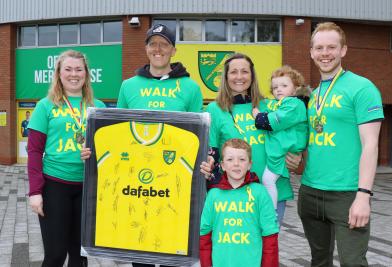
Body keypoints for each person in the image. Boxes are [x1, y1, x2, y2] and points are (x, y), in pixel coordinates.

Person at [81, 23, 203, 267]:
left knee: (172, 255)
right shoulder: (129, 85)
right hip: (137, 182)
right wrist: (91, 152)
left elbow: (198, 136)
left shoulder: (190, 87)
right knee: (141, 255)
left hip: (172, 182)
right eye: (152, 44)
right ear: (146, 49)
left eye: (164, 44)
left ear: (174, 50)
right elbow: (119, 132)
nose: (158, 49)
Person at [298, 22, 384, 266]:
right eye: (319, 48)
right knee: (319, 261)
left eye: (332, 47)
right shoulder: (313, 95)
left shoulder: (362, 88)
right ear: (311, 52)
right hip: (310, 192)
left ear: (343, 50)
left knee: (352, 263)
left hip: (347, 194)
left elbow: (371, 145)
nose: (325, 53)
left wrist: (363, 196)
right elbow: (313, 139)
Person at [27, 50, 106, 267]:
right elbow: (33, 151)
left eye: (79, 69)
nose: (74, 74)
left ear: (86, 74)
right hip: (54, 186)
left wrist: (95, 153)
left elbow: (109, 151)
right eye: (68, 69)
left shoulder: (98, 107)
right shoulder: (46, 106)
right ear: (59, 74)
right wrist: (35, 192)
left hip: (87, 188)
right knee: (55, 255)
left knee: (80, 256)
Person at [200, 53, 294, 224]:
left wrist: (297, 154)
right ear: (226, 77)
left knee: (267, 248)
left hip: (271, 192)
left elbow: (294, 132)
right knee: (239, 248)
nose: (239, 77)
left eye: (245, 72)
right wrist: (208, 163)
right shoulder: (214, 109)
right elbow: (211, 150)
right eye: (233, 72)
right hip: (233, 194)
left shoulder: (270, 106)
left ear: (252, 76)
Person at [199, 138, 279, 267]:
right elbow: (204, 236)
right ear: (222, 165)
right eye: (230, 159)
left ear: (249, 164)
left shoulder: (260, 193)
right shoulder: (213, 195)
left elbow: (270, 237)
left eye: (242, 159)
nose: (236, 164)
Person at [252, 65, 309, 209]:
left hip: (284, 149)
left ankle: (271, 211)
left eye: (284, 85)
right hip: (281, 149)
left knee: (268, 180)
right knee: (268, 180)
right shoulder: (280, 103)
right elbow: (270, 106)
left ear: (295, 88)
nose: (279, 89)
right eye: (275, 87)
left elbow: (276, 120)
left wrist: (259, 116)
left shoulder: (294, 104)